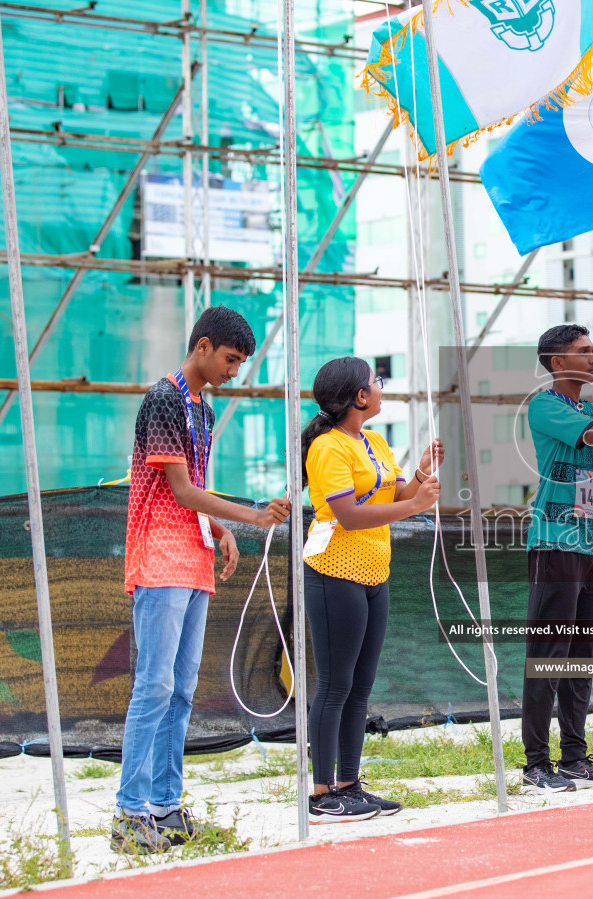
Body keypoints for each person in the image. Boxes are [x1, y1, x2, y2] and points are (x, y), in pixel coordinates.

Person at [115, 307, 291, 854]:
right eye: (231, 360)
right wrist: (253, 516)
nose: (234, 372)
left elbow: (193, 489)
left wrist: (218, 529)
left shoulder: (203, 413)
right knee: (155, 685)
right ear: (203, 346)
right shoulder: (164, 398)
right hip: (159, 556)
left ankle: (166, 806)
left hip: (192, 555)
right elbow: (180, 490)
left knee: (182, 689)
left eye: (240, 363)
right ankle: (129, 812)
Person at [301, 357, 443, 822]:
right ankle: (321, 793)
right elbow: (348, 516)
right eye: (375, 382)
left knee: (360, 687)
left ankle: (349, 783)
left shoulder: (375, 441)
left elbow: (396, 497)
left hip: (373, 573)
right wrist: (416, 507)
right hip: (334, 573)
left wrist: (420, 476)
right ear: (360, 397)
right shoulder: (327, 448)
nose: (381, 388)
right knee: (334, 685)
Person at [521, 325, 593, 792]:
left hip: (591, 545)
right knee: (548, 656)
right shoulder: (545, 405)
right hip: (554, 542)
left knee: (580, 656)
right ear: (556, 362)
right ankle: (536, 763)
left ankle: (574, 757)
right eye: (584, 352)